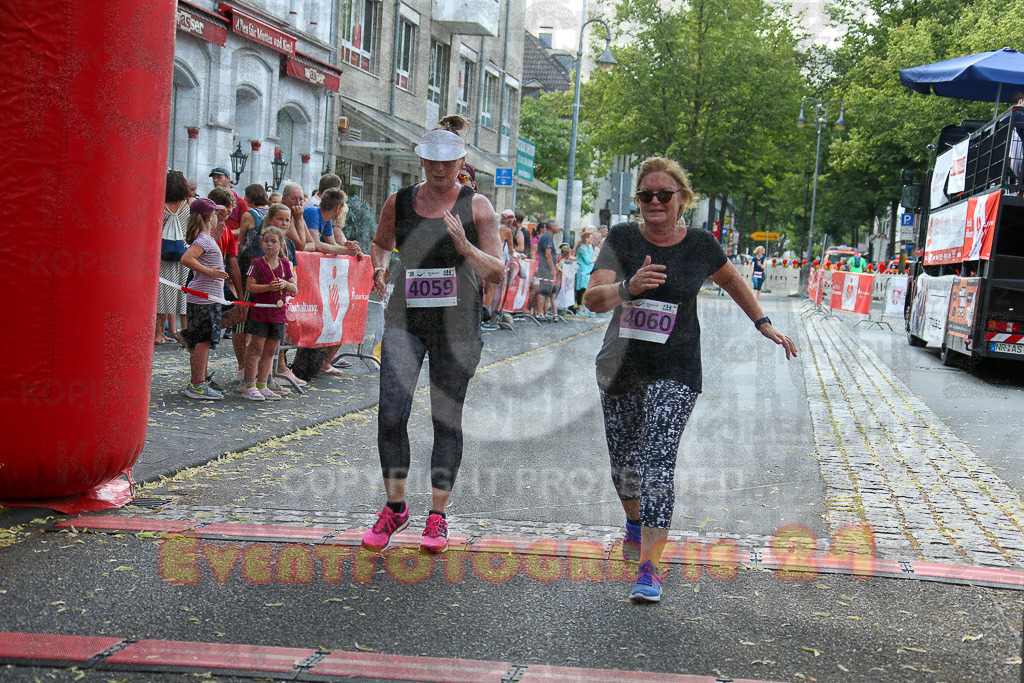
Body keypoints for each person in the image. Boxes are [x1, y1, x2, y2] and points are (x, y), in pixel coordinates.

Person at [585, 157, 798, 603]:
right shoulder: (621, 238)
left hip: (677, 368)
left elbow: (732, 280)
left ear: (682, 198)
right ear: (638, 200)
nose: (655, 201)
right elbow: (593, 299)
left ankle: (650, 567)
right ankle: (634, 523)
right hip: (622, 366)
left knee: (657, 459)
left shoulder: (700, 244)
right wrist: (628, 288)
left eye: (665, 194)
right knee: (624, 464)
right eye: (646, 194)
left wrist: (763, 322)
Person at [364, 115, 503, 554]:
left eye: (448, 162)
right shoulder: (399, 201)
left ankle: (438, 515)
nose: (439, 169)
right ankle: (395, 507)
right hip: (406, 319)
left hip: (456, 326)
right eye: (432, 162)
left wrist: (465, 247)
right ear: (421, 161)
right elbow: (380, 243)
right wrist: (380, 267)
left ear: (462, 162)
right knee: (391, 413)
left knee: (445, 419)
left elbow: (497, 271)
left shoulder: (478, 207)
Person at [180, 197, 230, 400]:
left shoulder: (205, 238)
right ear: (209, 217)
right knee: (202, 342)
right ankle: (197, 384)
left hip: (207, 298)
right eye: (215, 212)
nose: (218, 215)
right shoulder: (202, 239)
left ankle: (199, 381)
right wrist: (209, 272)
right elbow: (186, 258)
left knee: (203, 341)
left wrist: (214, 238)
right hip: (203, 300)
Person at [241, 226, 298, 401]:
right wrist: (268, 287)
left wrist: (285, 284)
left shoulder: (285, 265)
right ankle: (249, 384)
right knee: (256, 347)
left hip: (278, 313)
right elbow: (250, 287)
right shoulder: (257, 263)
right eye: (266, 241)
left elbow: (294, 288)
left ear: (281, 245)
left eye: (273, 241)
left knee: (271, 350)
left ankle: (262, 384)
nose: (269, 244)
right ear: (261, 244)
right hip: (260, 312)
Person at [158, 171, 191, 344]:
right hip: (183, 254)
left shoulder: (160, 205)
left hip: (163, 253)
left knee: (163, 293)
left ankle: (158, 334)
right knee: (182, 294)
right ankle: (184, 334)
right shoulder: (187, 206)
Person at [210, 166, 248, 236]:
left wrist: (226, 234)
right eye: (213, 178)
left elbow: (244, 228)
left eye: (219, 177)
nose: (215, 180)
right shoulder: (211, 198)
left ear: (228, 179)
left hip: (231, 240)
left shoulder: (240, 201)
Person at [532, 219, 558, 318]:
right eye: (556, 225)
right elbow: (548, 254)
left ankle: (541, 313)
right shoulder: (547, 237)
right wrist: (552, 268)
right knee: (543, 291)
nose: (558, 227)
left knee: (545, 291)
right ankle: (540, 313)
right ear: (552, 226)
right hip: (546, 268)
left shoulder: (547, 236)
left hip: (544, 267)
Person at [574, 230, 596, 316]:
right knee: (581, 290)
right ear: (587, 239)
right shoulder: (582, 248)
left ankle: (585, 308)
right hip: (582, 272)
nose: (592, 239)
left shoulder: (589, 247)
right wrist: (597, 258)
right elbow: (588, 260)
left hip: (588, 271)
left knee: (587, 291)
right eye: (591, 238)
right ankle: (580, 309)